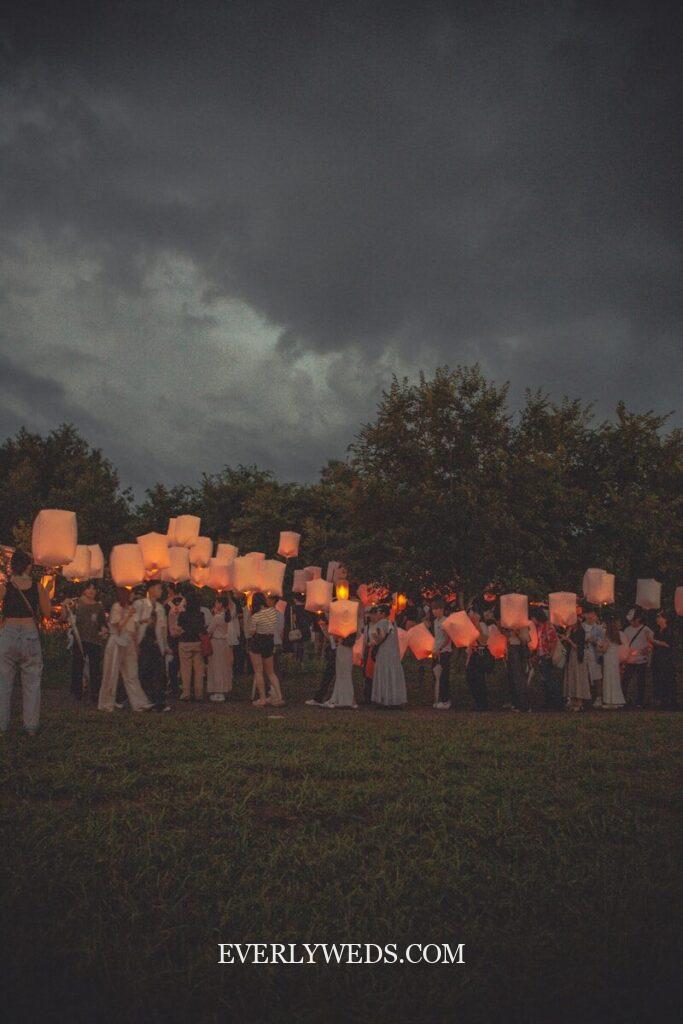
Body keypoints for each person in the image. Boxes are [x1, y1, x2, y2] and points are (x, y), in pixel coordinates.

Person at [0, 549, 52, 735]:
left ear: (13, 566)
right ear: (28, 565)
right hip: (29, 633)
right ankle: (30, 727)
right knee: (31, 681)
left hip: (8, 633)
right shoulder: (37, 587)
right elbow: (47, 612)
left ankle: (2, 726)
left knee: (3, 681)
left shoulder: (5, 586)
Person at [98, 588, 154, 712]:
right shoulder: (116, 607)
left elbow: (133, 629)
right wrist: (128, 615)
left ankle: (140, 703)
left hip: (128, 642)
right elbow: (118, 627)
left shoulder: (131, 609)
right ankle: (106, 703)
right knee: (111, 673)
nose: (133, 595)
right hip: (116, 641)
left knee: (131, 674)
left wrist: (136, 646)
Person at [63, 582, 107, 703]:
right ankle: (77, 692)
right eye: (89, 588)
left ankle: (95, 693)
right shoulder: (76, 603)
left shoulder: (99, 607)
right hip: (80, 639)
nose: (91, 591)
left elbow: (102, 623)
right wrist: (65, 606)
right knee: (77, 666)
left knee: (95, 668)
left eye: (94, 588)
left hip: (94, 640)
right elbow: (65, 616)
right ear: (84, 590)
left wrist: (103, 630)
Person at [136, 580, 171, 711]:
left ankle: (159, 702)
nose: (160, 591)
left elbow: (163, 628)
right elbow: (133, 624)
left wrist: (165, 645)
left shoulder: (160, 608)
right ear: (150, 589)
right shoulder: (140, 605)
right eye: (158, 588)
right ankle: (145, 700)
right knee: (144, 672)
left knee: (159, 674)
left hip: (157, 645)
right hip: (144, 643)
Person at [244, 593, 283, 707]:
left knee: (258, 671)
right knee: (271, 672)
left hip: (257, 641)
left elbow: (251, 631)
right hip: (269, 641)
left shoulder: (254, 615)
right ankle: (279, 696)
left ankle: (262, 699)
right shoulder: (272, 612)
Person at [370, 604, 407, 707]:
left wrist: (373, 640)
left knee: (384, 673)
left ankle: (383, 699)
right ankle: (394, 699)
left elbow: (380, 638)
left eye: (378, 612)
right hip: (393, 653)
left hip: (384, 652)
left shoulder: (381, 623)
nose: (376, 614)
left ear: (382, 613)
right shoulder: (392, 623)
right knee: (392, 675)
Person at [176, 590, 207, 702]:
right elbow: (202, 628)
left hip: (184, 642)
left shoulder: (183, 615)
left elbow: (179, 627)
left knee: (185, 669)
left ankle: (186, 693)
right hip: (197, 642)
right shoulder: (200, 614)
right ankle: (199, 693)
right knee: (199, 669)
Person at [206, 593, 237, 702]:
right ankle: (224, 688)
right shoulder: (225, 616)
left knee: (216, 666)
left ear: (220, 604)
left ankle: (218, 691)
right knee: (223, 666)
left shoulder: (218, 617)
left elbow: (209, 630)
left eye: (216, 602)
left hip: (216, 642)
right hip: (224, 643)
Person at [622, 608, 653, 708]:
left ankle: (640, 701)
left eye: (633, 620)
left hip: (641, 659)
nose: (631, 622)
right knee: (626, 680)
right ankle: (623, 698)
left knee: (640, 681)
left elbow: (651, 643)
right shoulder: (627, 630)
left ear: (638, 619)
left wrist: (647, 649)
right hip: (630, 659)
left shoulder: (646, 630)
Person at [531, 609, 561, 710]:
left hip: (547, 655)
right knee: (546, 679)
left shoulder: (548, 627)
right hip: (542, 655)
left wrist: (550, 654)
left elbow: (553, 641)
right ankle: (549, 701)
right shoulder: (540, 627)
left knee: (549, 679)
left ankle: (556, 701)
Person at [305, 612, 337, 706]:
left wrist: (324, 628)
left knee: (330, 673)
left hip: (338, 650)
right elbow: (330, 638)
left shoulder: (336, 623)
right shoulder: (329, 622)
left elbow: (332, 638)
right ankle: (320, 697)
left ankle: (321, 697)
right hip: (334, 649)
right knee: (329, 674)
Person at [650, 611, 677, 709]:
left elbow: (667, 644)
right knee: (658, 679)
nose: (657, 619)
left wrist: (654, 641)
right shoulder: (657, 631)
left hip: (666, 659)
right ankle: (661, 700)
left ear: (665, 619)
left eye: (659, 617)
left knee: (667, 679)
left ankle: (670, 701)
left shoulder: (668, 631)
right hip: (657, 658)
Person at [465, 609, 491, 711]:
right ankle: (478, 702)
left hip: (480, 653)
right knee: (471, 679)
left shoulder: (482, 625)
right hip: (473, 654)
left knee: (479, 680)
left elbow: (483, 640)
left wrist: (476, 624)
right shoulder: (470, 627)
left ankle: (483, 704)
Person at [562, 620, 591, 711]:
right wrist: (568, 633)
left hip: (577, 656)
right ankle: (573, 700)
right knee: (572, 678)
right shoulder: (570, 631)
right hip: (570, 656)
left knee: (578, 677)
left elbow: (578, 647)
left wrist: (569, 640)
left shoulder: (581, 632)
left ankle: (579, 701)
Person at [598, 618, 626, 709]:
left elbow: (604, 649)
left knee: (608, 679)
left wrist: (598, 646)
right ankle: (617, 700)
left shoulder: (608, 638)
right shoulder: (616, 638)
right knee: (615, 679)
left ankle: (610, 701)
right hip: (615, 660)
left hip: (608, 660)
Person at [503, 622, 531, 712]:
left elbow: (524, 640)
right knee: (514, 677)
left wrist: (517, 634)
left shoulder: (522, 623)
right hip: (512, 647)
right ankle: (517, 703)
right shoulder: (511, 621)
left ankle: (523, 705)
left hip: (517, 648)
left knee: (518, 677)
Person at [431, 597, 453, 710]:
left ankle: (446, 700)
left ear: (442, 609)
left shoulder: (445, 621)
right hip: (436, 651)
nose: (435, 611)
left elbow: (448, 638)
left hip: (444, 652)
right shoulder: (435, 621)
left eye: (437, 609)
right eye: (433, 609)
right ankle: (438, 698)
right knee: (436, 675)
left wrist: (440, 648)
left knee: (444, 676)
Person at [582, 609, 605, 706]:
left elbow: (602, 642)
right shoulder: (581, 627)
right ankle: (585, 698)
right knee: (584, 676)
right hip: (583, 655)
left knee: (597, 676)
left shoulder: (599, 628)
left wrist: (595, 641)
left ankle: (598, 697)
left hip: (595, 655)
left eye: (593, 614)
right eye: (588, 613)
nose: (590, 616)